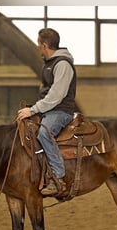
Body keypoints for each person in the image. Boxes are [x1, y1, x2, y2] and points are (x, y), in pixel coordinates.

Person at [17, 28, 77, 196]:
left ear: (44, 45)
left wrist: (33, 109)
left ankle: (59, 177)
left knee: (44, 133)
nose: (38, 48)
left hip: (60, 112)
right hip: (49, 110)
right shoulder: (50, 64)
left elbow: (57, 95)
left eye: (38, 44)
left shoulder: (62, 64)